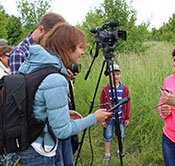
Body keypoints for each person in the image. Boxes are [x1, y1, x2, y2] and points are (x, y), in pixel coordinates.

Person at [11, 22, 112, 166]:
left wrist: (63, 113)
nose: (83, 52)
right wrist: (93, 118)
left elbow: (34, 105)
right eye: (80, 47)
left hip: (23, 146)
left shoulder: (33, 65)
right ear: (67, 47)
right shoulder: (55, 78)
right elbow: (62, 131)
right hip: (38, 154)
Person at [100, 64, 131, 163]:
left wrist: (127, 118)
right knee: (108, 135)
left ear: (120, 75)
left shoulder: (124, 89)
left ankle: (119, 151)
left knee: (120, 135)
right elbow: (102, 104)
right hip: (109, 118)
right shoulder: (105, 89)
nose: (116, 77)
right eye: (113, 74)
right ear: (109, 75)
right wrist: (102, 119)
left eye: (118, 74)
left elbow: (127, 104)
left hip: (120, 117)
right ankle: (107, 153)